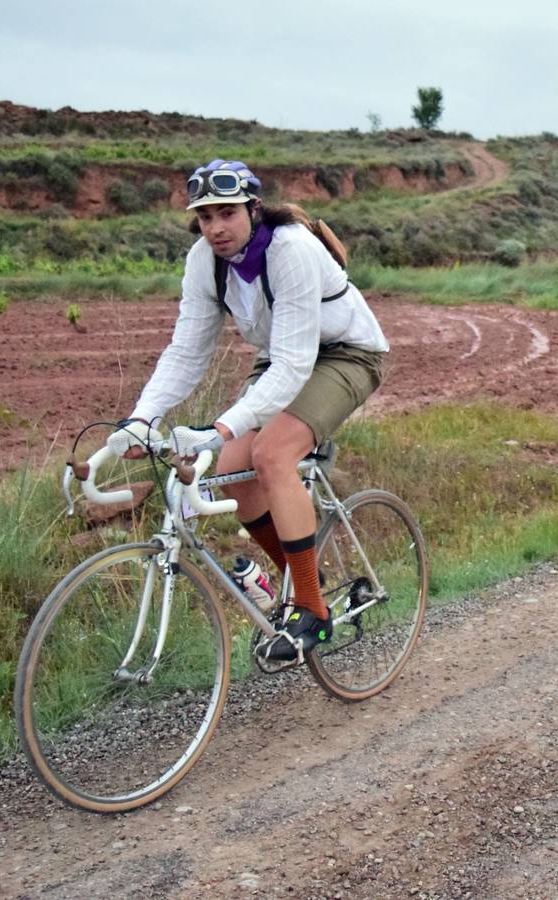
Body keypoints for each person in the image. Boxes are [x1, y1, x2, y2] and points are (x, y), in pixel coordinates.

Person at [107, 159, 390, 662]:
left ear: (253, 209)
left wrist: (218, 427)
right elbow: (187, 351)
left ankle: (313, 613)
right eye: (205, 216)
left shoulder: (292, 250)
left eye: (226, 213)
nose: (215, 227)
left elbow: (296, 364)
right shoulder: (204, 261)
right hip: (281, 354)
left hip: (344, 353)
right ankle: (307, 582)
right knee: (236, 475)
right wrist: (141, 417)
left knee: (273, 455)